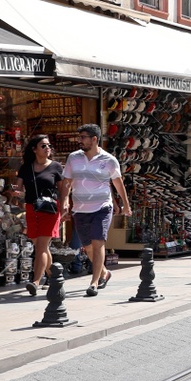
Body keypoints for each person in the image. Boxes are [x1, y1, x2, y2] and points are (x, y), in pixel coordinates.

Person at [63, 123, 130, 296]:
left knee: (98, 242)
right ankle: (104, 273)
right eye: (79, 137)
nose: (80, 141)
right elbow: (67, 182)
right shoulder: (73, 158)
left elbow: (117, 182)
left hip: (102, 207)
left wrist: (126, 204)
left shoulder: (109, 160)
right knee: (88, 247)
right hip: (80, 209)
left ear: (94, 139)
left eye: (83, 137)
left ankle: (94, 282)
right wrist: (64, 201)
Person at [17, 133, 66, 294]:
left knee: (41, 247)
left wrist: (65, 203)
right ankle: (53, 275)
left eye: (49, 145)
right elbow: (19, 188)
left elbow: (63, 188)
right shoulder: (26, 167)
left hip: (50, 209)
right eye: (43, 146)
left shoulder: (56, 166)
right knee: (40, 245)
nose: (47, 148)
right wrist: (15, 192)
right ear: (34, 149)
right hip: (32, 208)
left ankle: (36, 281)